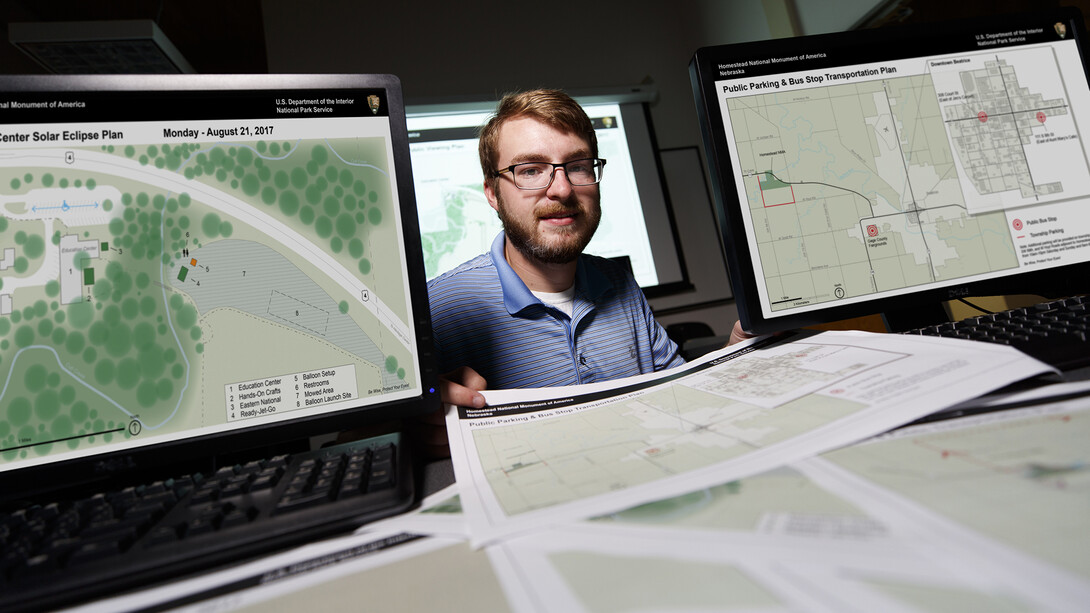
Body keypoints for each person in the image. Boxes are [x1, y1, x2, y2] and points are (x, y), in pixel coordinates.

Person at [420, 89, 749, 455]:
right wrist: (405, 424)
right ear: (493, 194)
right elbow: (362, 437)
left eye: (577, 166)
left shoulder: (618, 282)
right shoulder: (437, 308)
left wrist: (735, 354)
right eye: (530, 170)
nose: (562, 189)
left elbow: (674, 396)